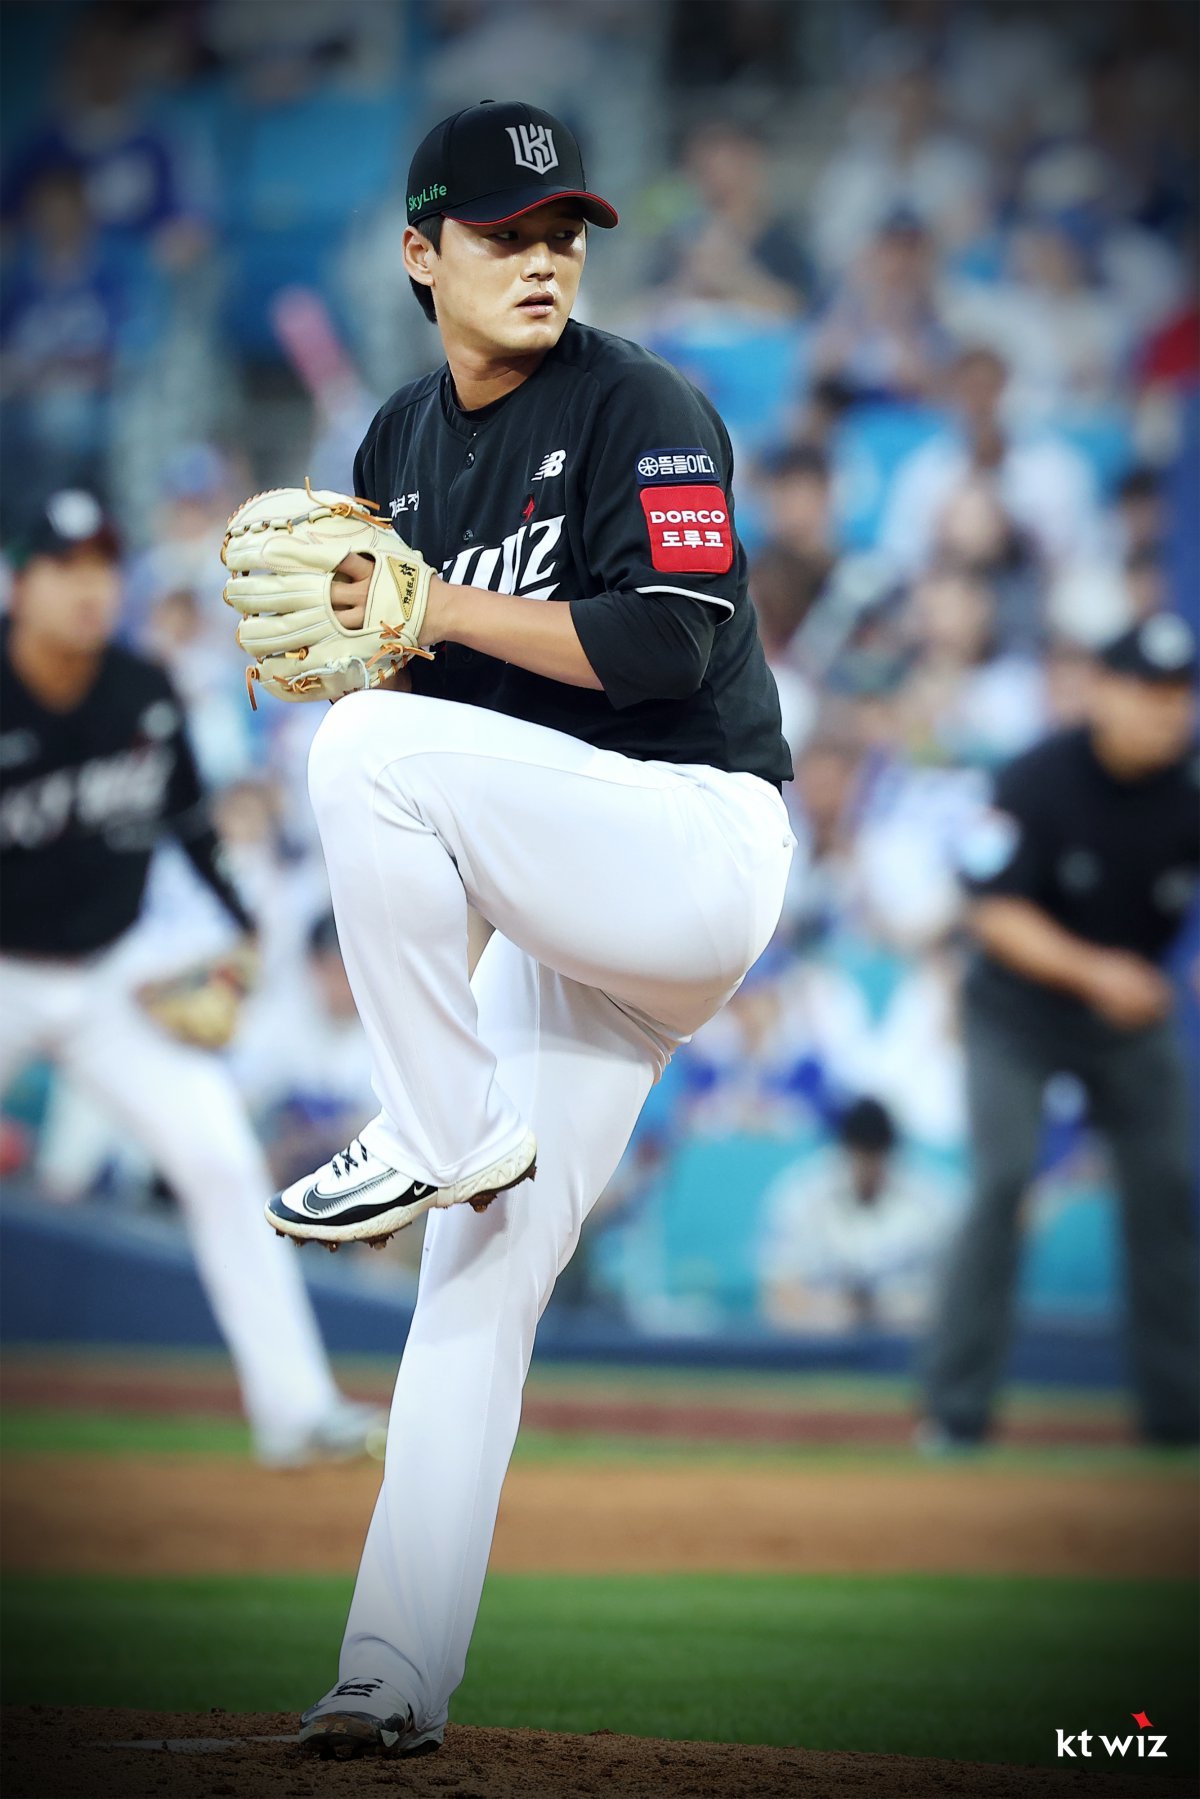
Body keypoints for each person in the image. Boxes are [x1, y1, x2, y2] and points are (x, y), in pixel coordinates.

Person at [248, 100, 795, 1757]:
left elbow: (668, 645)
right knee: (475, 1280)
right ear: (423, 255)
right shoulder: (395, 446)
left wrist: (428, 613)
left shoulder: (646, 404)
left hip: (691, 840)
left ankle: (433, 1122)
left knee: (366, 749)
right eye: (504, 233)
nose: (544, 256)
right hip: (567, 907)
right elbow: (451, 730)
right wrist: (374, 638)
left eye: (563, 230)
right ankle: (390, 1673)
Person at [0, 490, 383, 1469]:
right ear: (23, 584)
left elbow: (191, 825)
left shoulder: (143, 689)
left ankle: (296, 1409)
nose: (89, 588)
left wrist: (243, 922)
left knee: (220, 1163)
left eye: (102, 567)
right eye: (65, 568)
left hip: (109, 977)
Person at [920, 614, 1200, 1449]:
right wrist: (1098, 973)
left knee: (1169, 1188)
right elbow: (992, 912)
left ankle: (1180, 1417)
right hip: (1019, 1012)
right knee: (1004, 1178)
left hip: (1129, 1018)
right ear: (1101, 692)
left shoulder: (1190, 783)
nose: (1165, 711)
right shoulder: (1037, 777)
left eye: (1177, 694)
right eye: (1146, 691)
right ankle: (956, 1410)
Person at [759, 1097, 950, 1333]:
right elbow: (779, 1298)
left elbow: (957, 1297)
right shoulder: (802, 1196)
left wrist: (886, 1308)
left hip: (908, 1342)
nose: (869, 1166)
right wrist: (842, 1310)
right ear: (844, 1150)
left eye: (877, 1153)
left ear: (891, 1152)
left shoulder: (932, 1201)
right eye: (861, 1153)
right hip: (821, 1343)